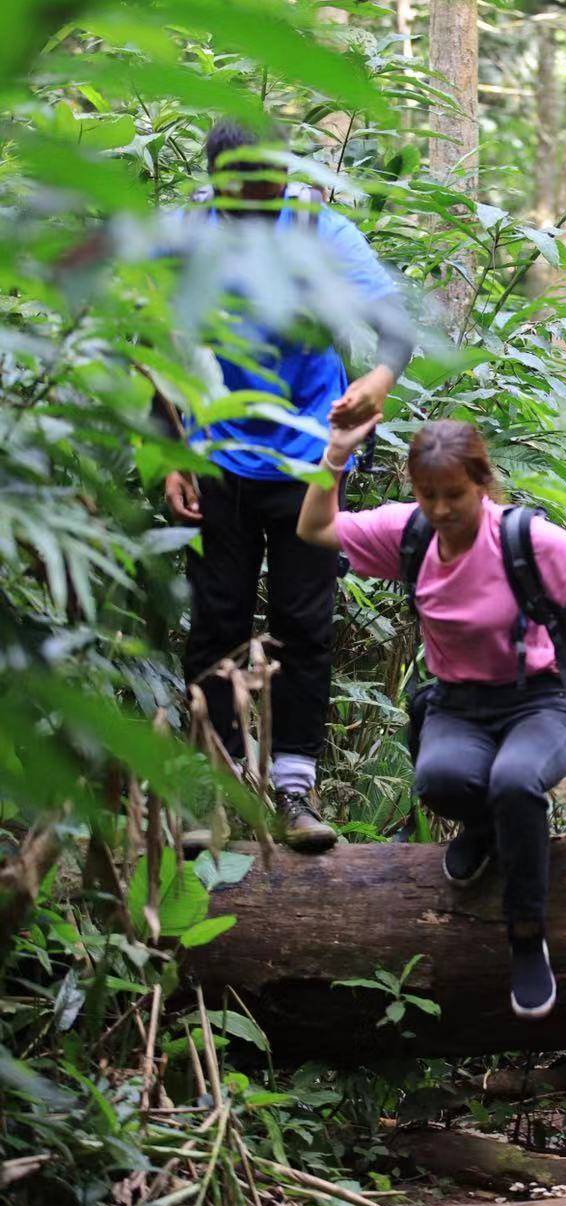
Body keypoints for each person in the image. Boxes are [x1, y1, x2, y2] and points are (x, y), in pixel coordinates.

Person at [297, 416, 566, 1021]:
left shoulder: (522, 537)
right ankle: (487, 830)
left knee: (515, 782)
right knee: (440, 781)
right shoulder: (407, 532)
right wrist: (334, 456)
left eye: (453, 495)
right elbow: (315, 527)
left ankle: (526, 934)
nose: (441, 509)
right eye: (428, 495)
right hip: (459, 703)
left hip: (538, 699)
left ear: (481, 484)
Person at [160, 120, 414, 852]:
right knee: (216, 621)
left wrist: (379, 378)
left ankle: (294, 790)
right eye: (239, 189)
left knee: (305, 622)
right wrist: (170, 453)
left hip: (309, 461)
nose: (255, 201)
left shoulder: (318, 229)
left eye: (267, 184)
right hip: (216, 454)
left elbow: (392, 325)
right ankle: (213, 786)